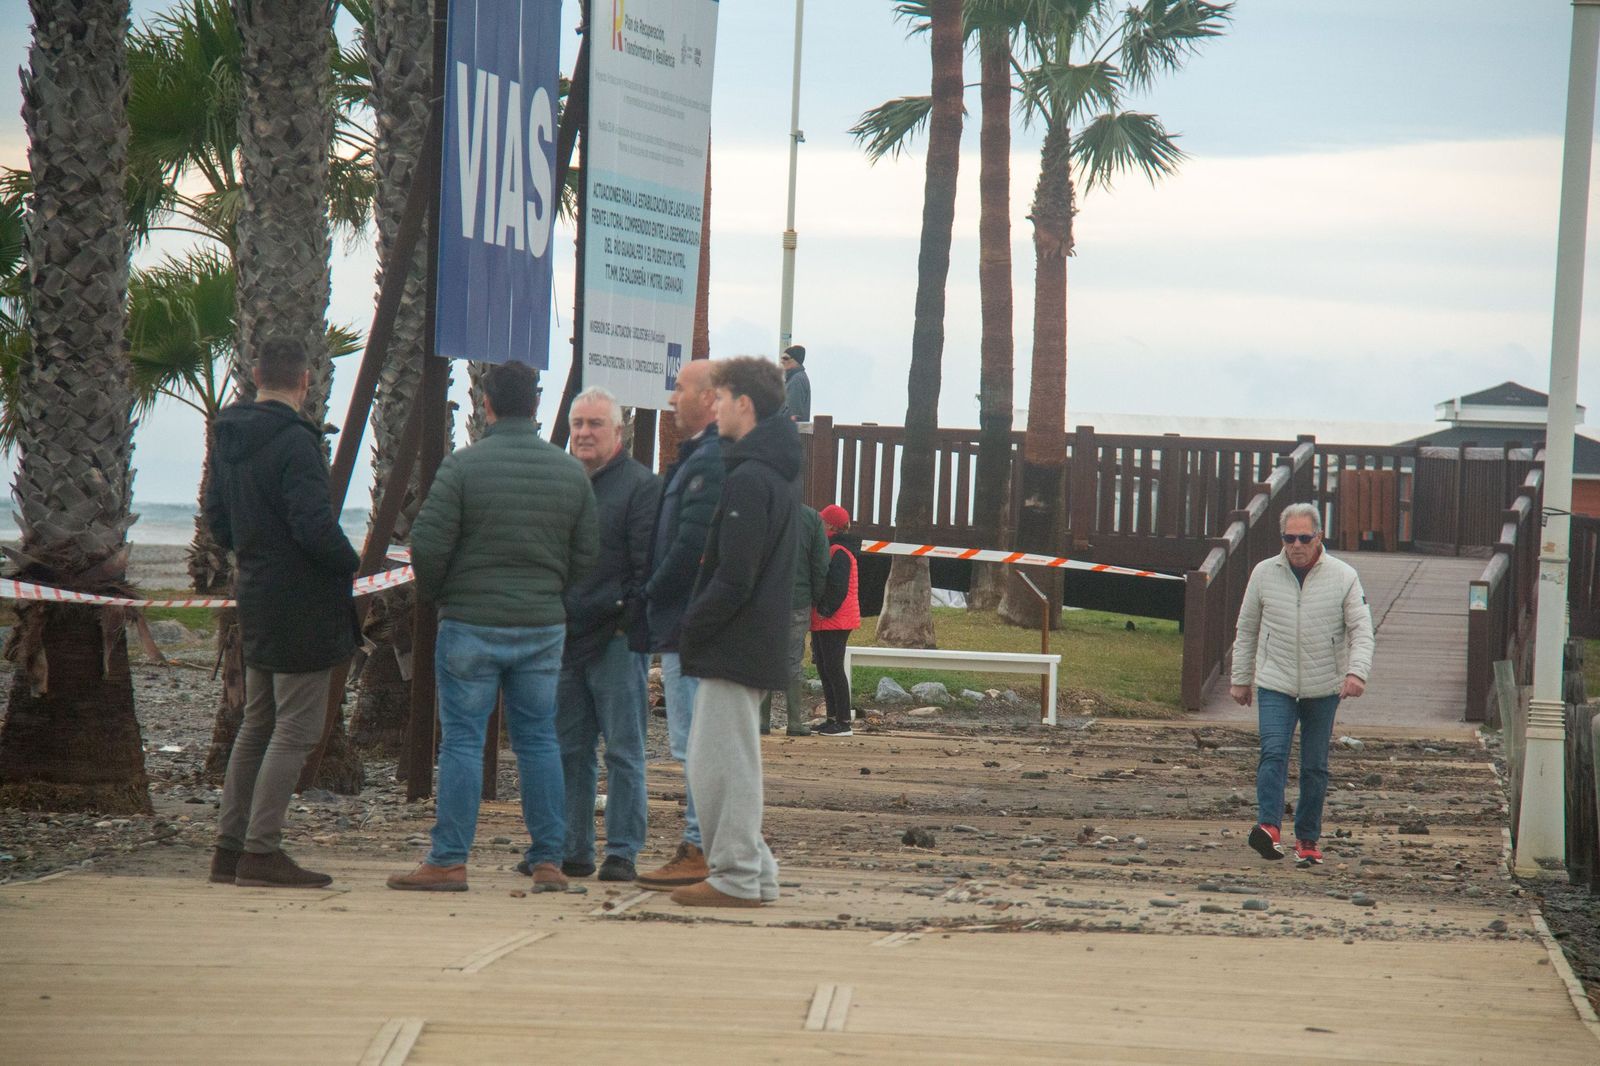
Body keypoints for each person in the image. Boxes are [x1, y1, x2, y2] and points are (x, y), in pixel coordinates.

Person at [388, 361, 598, 893]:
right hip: (541, 627)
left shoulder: (462, 468)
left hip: (471, 624)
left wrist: (444, 595)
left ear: (486, 405)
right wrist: (551, 594)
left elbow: (427, 546)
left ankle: (448, 861)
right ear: (536, 404)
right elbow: (586, 555)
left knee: (462, 741)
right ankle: (548, 860)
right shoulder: (569, 472)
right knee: (539, 740)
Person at [204, 337, 361, 889]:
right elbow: (314, 526)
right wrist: (350, 563)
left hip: (256, 591)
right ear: (305, 381)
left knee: (258, 722)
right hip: (302, 603)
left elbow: (217, 518)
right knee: (296, 728)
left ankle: (229, 849)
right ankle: (261, 851)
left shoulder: (228, 435)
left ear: (255, 376)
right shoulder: (297, 442)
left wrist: (254, 550)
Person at [673, 356, 801, 907]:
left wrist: (691, 626)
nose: (715, 407)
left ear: (744, 405)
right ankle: (757, 872)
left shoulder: (749, 479)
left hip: (734, 644)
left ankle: (736, 876)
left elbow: (735, 576)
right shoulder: (773, 471)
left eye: (722, 398)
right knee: (731, 759)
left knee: (719, 765)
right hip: (750, 641)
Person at [1230, 502, 1374, 866]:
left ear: (1319, 537)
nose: (1296, 545)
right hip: (1275, 681)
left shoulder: (1344, 576)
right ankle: (1269, 828)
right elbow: (1247, 628)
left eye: (1304, 538)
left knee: (1314, 765)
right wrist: (1241, 678)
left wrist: (1356, 673)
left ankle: (1308, 839)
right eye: (1289, 538)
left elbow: (1361, 629)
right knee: (1273, 753)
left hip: (1323, 686)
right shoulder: (1264, 573)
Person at [555, 387, 660, 883]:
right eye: (578, 424)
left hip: (617, 640)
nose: (584, 433)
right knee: (569, 750)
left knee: (623, 750)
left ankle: (622, 850)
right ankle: (572, 848)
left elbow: (647, 566)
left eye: (595, 424)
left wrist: (623, 621)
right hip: (564, 638)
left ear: (618, 431)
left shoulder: (641, 487)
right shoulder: (561, 481)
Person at [635, 359, 724, 892]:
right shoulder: (696, 458)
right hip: (682, 623)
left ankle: (699, 846)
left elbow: (690, 545)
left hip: (687, 625)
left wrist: (649, 591)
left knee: (695, 744)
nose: (671, 399)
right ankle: (705, 842)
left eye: (681, 389)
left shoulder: (708, 461)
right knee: (693, 742)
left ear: (710, 398)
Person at [758, 503, 830, 736]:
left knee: (765, 658)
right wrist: (815, 596)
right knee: (792, 660)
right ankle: (794, 722)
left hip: (765, 599)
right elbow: (820, 564)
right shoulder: (812, 518)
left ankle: (761, 721)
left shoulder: (764, 512)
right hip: (797, 599)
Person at [810, 505, 862, 737]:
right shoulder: (834, 548)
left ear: (830, 525)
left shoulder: (838, 551)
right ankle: (832, 718)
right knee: (825, 667)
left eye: (822, 521)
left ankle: (843, 721)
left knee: (833, 668)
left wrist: (825, 609)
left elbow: (838, 586)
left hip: (835, 618)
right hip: (829, 618)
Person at [780, 345, 811, 422]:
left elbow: (793, 413)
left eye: (785, 358)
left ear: (796, 361)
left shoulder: (796, 380)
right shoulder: (796, 378)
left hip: (791, 428)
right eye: (782, 358)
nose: (782, 361)